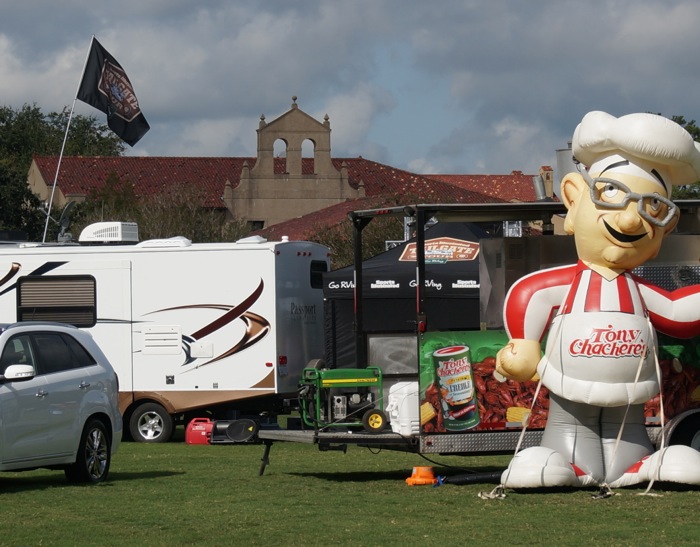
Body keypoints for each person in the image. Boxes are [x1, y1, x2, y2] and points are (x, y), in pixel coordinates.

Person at [495, 111, 700, 489]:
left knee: (629, 431)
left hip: (630, 390)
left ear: (666, 228)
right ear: (574, 200)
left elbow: (675, 312)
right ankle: (568, 464)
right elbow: (530, 293)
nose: (629, 222)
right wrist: (523, 344)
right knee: (571, 426)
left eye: (652, 207)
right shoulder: (569, 282)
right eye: (612, 194)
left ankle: (634, 466)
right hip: (569, 384)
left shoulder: (639, 290)